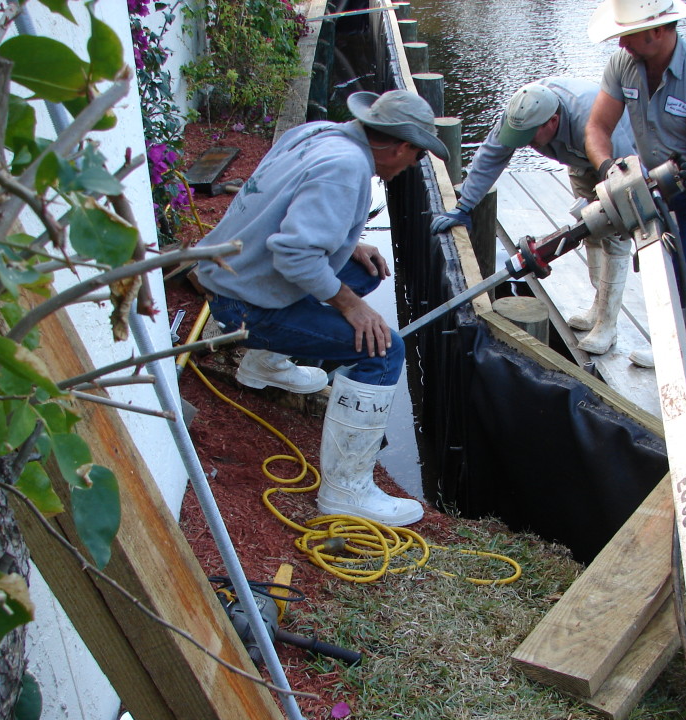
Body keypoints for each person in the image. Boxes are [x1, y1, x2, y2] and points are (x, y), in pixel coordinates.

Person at [192, 90, 450, 526]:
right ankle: (346, 491)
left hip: (228, 277)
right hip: (247, 306)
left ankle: (263, 365)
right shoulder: (346, 168)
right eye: (416, 156)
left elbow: (286, 208)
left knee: (366, 272)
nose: (411, 166)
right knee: (383, 350)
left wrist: (348, 244)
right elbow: (293, 256)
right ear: (402, 146)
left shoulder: (317, 132)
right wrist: (350, 306)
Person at [584, 0, 686, 413]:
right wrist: (609, 170)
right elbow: (597, 127)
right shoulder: (623, 65)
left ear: (656, 31)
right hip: (656, 191)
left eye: (628, 32)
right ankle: (674, 355)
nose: (620, 41)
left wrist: (681, 172)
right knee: (671, 284)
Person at [432, 77, 637, 355]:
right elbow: (492, 155)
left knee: (612, 235)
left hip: (616, 158)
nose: (525, 143)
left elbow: (628, 172)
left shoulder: (590, 116)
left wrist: (620, 204)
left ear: (552, 121)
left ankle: (607, 325)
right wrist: (464, 206)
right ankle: (597, 308)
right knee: (591, 231)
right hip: (579, 159)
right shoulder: (520, 113)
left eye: (530, 136)